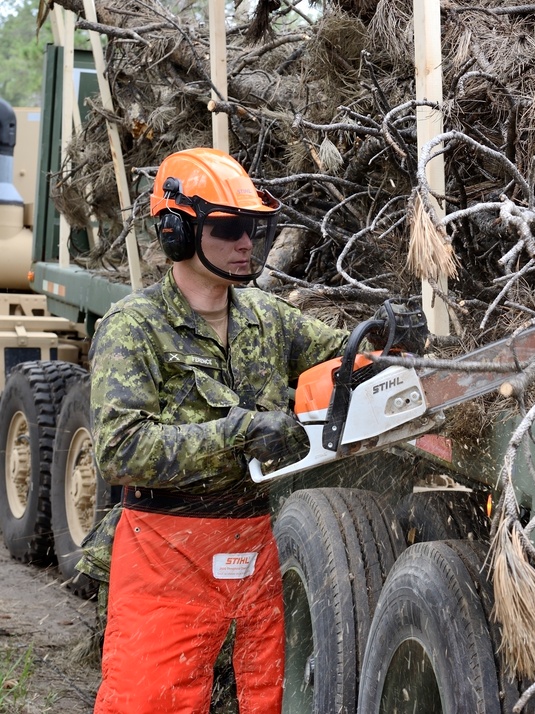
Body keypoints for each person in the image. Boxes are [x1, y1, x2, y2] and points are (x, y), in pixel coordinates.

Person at [89, 147, 350, 713]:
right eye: (229, 230)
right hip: (166, 551)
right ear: (178, 232)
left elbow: (341, 357)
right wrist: (236, 436)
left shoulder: (266, 316)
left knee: (262, 700)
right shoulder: (134, 328)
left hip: (254, 547)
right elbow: (119, 449)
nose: (244, 245)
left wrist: (386, 343)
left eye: (253, 231)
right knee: (148, 700)